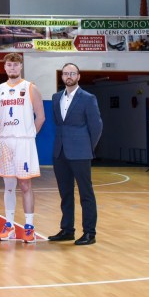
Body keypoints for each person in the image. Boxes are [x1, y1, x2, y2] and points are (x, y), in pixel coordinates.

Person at [48, 63, 103, 246]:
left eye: (72, 73)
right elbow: (59, 124)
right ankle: (67, 230)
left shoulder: (88, 98)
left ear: (78, 76)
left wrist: (87, 147)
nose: (69, 76)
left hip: (81, 152)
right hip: (60, 152)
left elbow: (96, 126)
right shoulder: (56, 97)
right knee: (65, 193)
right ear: (62, 76)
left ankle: (89, 233)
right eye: (66, 73)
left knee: (86, 194)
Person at [0, 53, 45, 243]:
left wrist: (29, 136)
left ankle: (29, 227)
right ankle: (9, 226)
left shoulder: (31, 88)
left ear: (21, 66)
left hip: (24, 142)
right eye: (9, 65)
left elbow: (41, 117)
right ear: (4, 67)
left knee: (25, 185)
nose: (13, 68)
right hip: (5, 141)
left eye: (16, 65)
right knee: (8, 186)